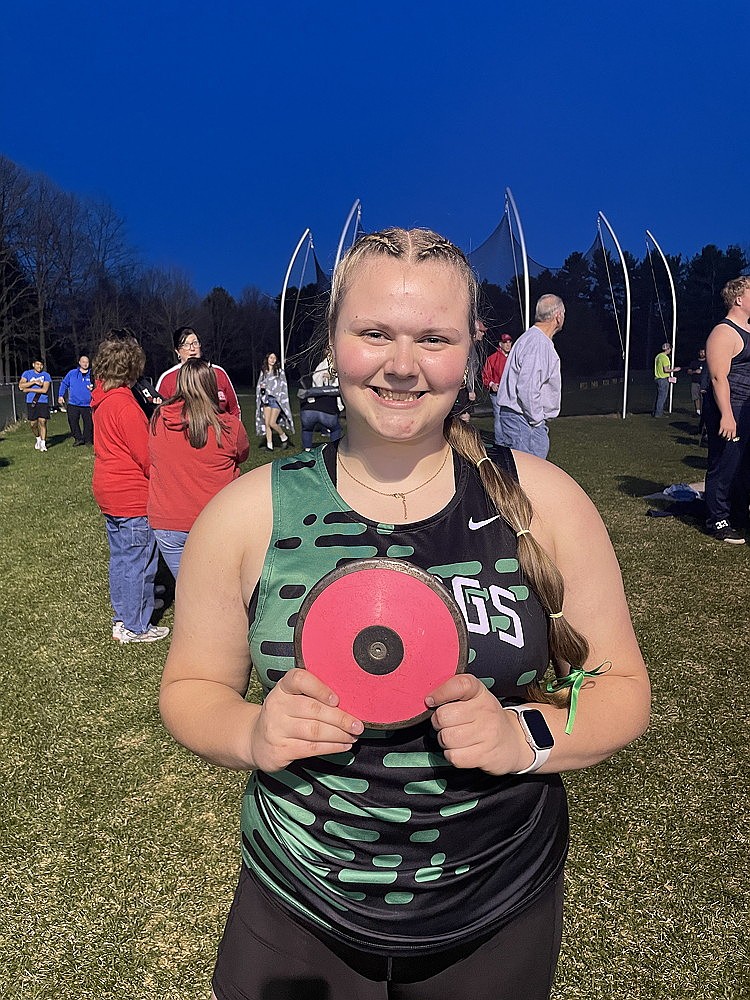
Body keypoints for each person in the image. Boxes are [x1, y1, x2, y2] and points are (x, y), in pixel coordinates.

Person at [159, 228, 650, 1000]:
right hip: (298, 907)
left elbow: (620, 688)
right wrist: (252, 733)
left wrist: (520, 737)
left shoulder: (546, 502)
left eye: (433, 338)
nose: (401, 365)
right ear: (332, 342)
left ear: (472, 348)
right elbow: (190, 689)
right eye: (374, 333)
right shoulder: (248, 514)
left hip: (496, 908)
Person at [91, 331, 169, 643]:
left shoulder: (101, 400)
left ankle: (123, 616)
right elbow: (146, 455)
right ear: (130, 367)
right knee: (140, 561)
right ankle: (136, 626)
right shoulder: (124, 404)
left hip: (108, 490)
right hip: (130, 494)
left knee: (122, 558)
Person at [148, 358, 250, 578]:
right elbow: (242, 454)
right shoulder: (228, 426)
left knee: (187, 588)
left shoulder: (159, 419)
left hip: (169, 523)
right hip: (215, 521)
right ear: (212, 385)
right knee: (220, 586)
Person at [703, 276, 750, 543]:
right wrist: (727, 415)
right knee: (724, 464)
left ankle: (738, 514)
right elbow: (718, 377)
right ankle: (717, 520)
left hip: (747, 408)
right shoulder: (724, 332)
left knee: (743, 465)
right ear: (739, 299)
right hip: (729, 407)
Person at [495, 296, 565, 458]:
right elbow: (527, 387)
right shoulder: (538, 343)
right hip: (524, 421)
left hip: (522, 419)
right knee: (528, 471)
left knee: (521, 469)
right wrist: (537, 421)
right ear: (558, 316)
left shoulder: (531, 339)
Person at [156, 326, 240, 418]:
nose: (192, 348)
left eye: (195, 343)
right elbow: (158, 414)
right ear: (177, 351)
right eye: (186, 344)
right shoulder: (167, 379)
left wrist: (234, 427)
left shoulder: (218, 373)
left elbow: (234, 410)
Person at [298, 356, 343, 452]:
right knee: (336, 429)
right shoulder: (338, 368)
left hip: (308, 411)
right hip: (327, 412)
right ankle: (334, 449)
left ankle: (307, 449)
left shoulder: (320, 368)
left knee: (307, 429)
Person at [254, 351, 294, 450]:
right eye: (271, 358)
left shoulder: (279, 372)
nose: (272, 360)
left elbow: (283, 386)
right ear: (267, 359)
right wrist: (262, 391)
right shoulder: (264, 372)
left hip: (276, 400)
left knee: (272, 422)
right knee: (267, 423)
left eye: (274, 358)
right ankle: (269, 445)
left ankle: (283, 436)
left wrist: (281, 398)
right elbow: (259, 385)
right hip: (266, 400)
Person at [482, 332, 513, 444]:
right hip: (498, 393)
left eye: (509, 342)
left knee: (511, 417)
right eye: (505, 342)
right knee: (499, 417)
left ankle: (510, 440)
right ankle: (500, 442)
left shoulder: (514, 357)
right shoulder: (492, 358)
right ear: (500, 344)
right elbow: (485, 375)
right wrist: (491, 384)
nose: (508, 345)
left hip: (511, 393)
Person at [57, 355, 94, 446]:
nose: (85, 364)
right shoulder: (72, 373)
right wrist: (61, 395)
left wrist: (93, 388)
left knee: (89, 423)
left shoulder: (92, 374)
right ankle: (78, 438)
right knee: (73, 421)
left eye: (87, 362)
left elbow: (98, 386)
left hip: (88, 404)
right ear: (79, 362)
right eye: (83, 362)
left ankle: (88, 439)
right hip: (73, 403)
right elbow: (64, 384)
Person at [19, 359, 52, 451]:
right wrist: (34, 382)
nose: (39, 366)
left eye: (41, 364)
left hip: (43, 401)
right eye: (37, 364)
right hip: (31, 401)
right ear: (33, 364)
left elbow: (44, 390)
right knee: (33, 424)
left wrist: (29, 389)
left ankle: (43, 443)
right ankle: (38, 438)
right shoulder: (27, 373)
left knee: (42, 421)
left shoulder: (46, 375)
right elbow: (21, 386)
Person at [652, 342, 680, 418]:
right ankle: (658, 413)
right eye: (670, 349)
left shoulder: (658, 356)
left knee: (659, 396)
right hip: (663, 379)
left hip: (657, 378)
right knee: (662, 397)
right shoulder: (665, 358)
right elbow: (666, 370)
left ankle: (657, 411)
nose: (670, 350)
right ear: (668, 349)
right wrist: (675, 369)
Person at [686, 347, 706, 420]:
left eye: (703, 352)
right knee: (696, 397)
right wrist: (695, 371)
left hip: (704, 383)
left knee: (704, 398)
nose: (702, 354)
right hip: (695, 382)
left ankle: (704, 412)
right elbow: (689, 371)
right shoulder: (694, 362)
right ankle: (698, 412)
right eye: (701, 352)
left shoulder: (707, 362)